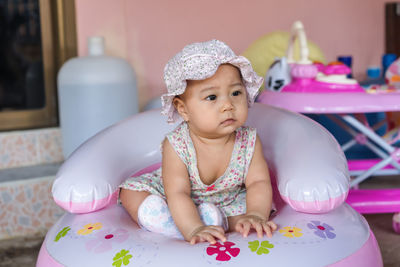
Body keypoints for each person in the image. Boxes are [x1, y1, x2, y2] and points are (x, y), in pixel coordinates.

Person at [119, 39, 277, 245]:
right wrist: (193, 228)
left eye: (236, 93)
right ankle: (173, 223)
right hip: (178, 200)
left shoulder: (249, 141)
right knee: (130, 193)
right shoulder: (176, 145)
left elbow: (258, 182)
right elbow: (177, 192)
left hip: (227, 200)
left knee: (257, 207)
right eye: (212, 97)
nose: (228, 105)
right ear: (183, 109)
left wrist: (256, 214)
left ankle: (220, 221)